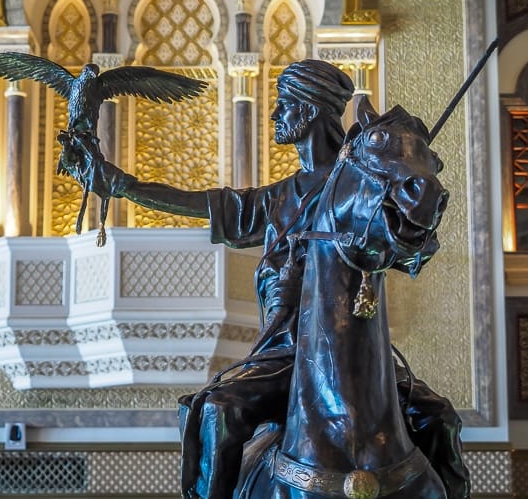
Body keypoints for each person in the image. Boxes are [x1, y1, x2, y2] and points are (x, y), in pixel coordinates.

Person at [58, 59, 469, 499]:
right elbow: (203, 204)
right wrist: (121, 185)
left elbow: (408, 240)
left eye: (283, 105)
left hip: (355, 360)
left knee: (439, 416)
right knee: (218, 408)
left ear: (309, 111)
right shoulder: (278, 201)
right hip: (284, 354)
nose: (275, 116)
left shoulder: (363, 187)